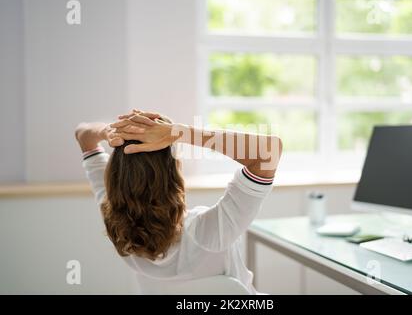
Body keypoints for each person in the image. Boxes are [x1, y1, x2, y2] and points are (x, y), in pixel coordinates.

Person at [75, 110, 282, 294]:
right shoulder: (209, 232)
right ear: (174, 169)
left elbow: (82, 134)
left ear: (115, 173)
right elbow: (268, 151)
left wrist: (109, 131)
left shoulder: (116, 224)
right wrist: (178, 132)